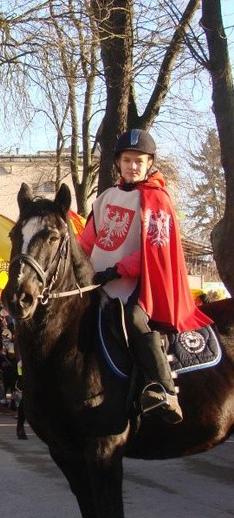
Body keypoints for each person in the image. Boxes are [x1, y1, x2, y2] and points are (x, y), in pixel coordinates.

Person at [79, 129, 212, 424]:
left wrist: (119, 269)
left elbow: (156, 251)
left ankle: (162, 390)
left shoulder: (156, 200)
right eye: (127, 160)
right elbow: (88, 241)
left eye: (139, 161)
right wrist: (78, 268)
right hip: (100, 283)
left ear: (149, 163)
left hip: (139, 285)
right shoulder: (105, 198)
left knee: (134, 319)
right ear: (119, 163)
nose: (133, 166)